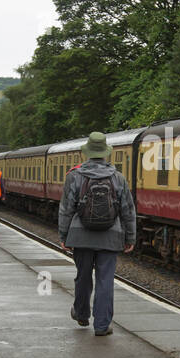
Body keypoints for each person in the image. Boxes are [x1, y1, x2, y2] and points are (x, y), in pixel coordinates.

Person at [59, 131, 136, 336]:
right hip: (110, 237)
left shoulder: (74, 176)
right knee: (105, 280)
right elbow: (128, 210)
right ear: (105, 154)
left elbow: (66, 209)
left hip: (80, 236)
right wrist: (130, 237)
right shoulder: (118, 178)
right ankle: (102, 325)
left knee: (83, 277)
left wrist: (63, 236)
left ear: (88, 153)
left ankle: (82, 314)